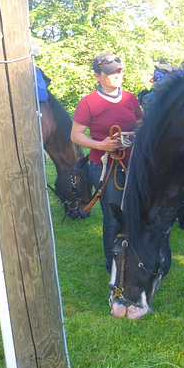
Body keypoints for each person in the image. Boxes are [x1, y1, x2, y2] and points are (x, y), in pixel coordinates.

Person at [71, 53, 143, 273]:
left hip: (133, 164)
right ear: (98, 76)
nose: (117, 75)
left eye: (119, 70)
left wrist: (138, 134)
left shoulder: (130, 98)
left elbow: (140, 122)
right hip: (104, 166)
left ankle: (134, 254)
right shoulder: (88, 102)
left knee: (135, 211)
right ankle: (112, 262)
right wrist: (100, 145)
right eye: (112, 72)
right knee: (113, 216)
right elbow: (75, 135)